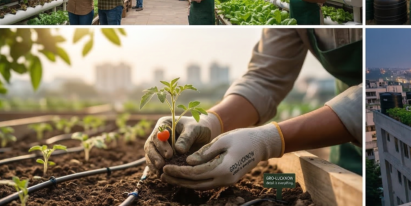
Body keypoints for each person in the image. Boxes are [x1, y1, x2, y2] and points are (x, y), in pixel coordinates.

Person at [145, 28, 363, 187]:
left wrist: (269, 140)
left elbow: (370, 98)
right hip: (345, 146)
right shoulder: (291, 5)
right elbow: (266, 77)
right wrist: (213, 121)